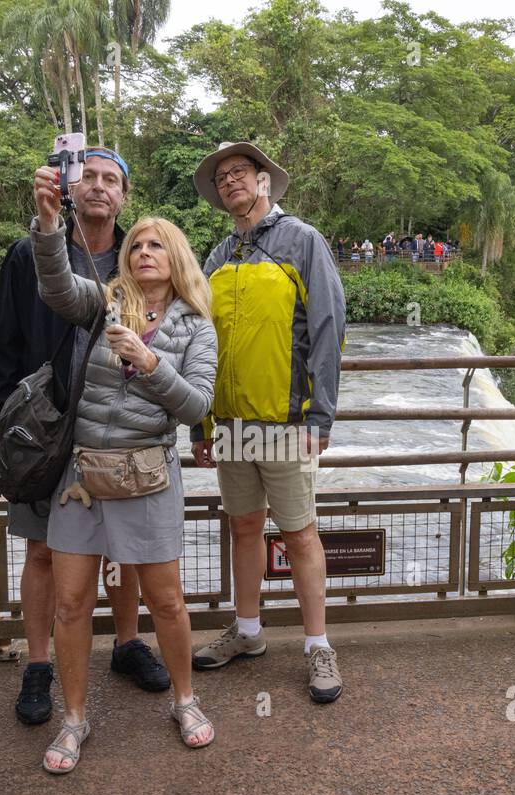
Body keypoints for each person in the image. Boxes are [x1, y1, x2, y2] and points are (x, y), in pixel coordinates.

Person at [29, 162, 219, 773]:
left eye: (155, 244)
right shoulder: (106, 304)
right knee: (71, 604)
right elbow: (57, 289)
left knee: (166, 601)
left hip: (149, 475)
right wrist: (49, 224)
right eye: (135, 243)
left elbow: (194, 407)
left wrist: (149, 362)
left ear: (178, 257)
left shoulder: (197, 329)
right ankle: (75, 718)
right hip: (82, 476)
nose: (142, 251)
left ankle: (186, 701)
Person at [0, 148, 170, 730]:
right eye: (86, 176)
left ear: (124, 195)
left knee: (126, 552)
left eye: (110, 180)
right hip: (44, 426)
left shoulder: (136, 259)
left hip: (113, 428)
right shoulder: (30, 254)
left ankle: (125, 643)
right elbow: (4, 344)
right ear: (67, 185)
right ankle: (38, 663)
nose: (97, 187)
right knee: (42, 550)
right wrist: (13, 419)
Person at [188, 141, 347, 704]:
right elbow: (200, 343)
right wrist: (202, 425)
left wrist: (321, 413)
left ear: (263, 182)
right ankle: (249, 632)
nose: (230, 181)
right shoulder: (216, 255)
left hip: (286, 420)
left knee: (301, 533)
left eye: (239, 173)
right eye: (221, 177)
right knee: (244, 528)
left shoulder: (302, 242)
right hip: (230, 423)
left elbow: (328, 328)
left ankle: (317, 645)